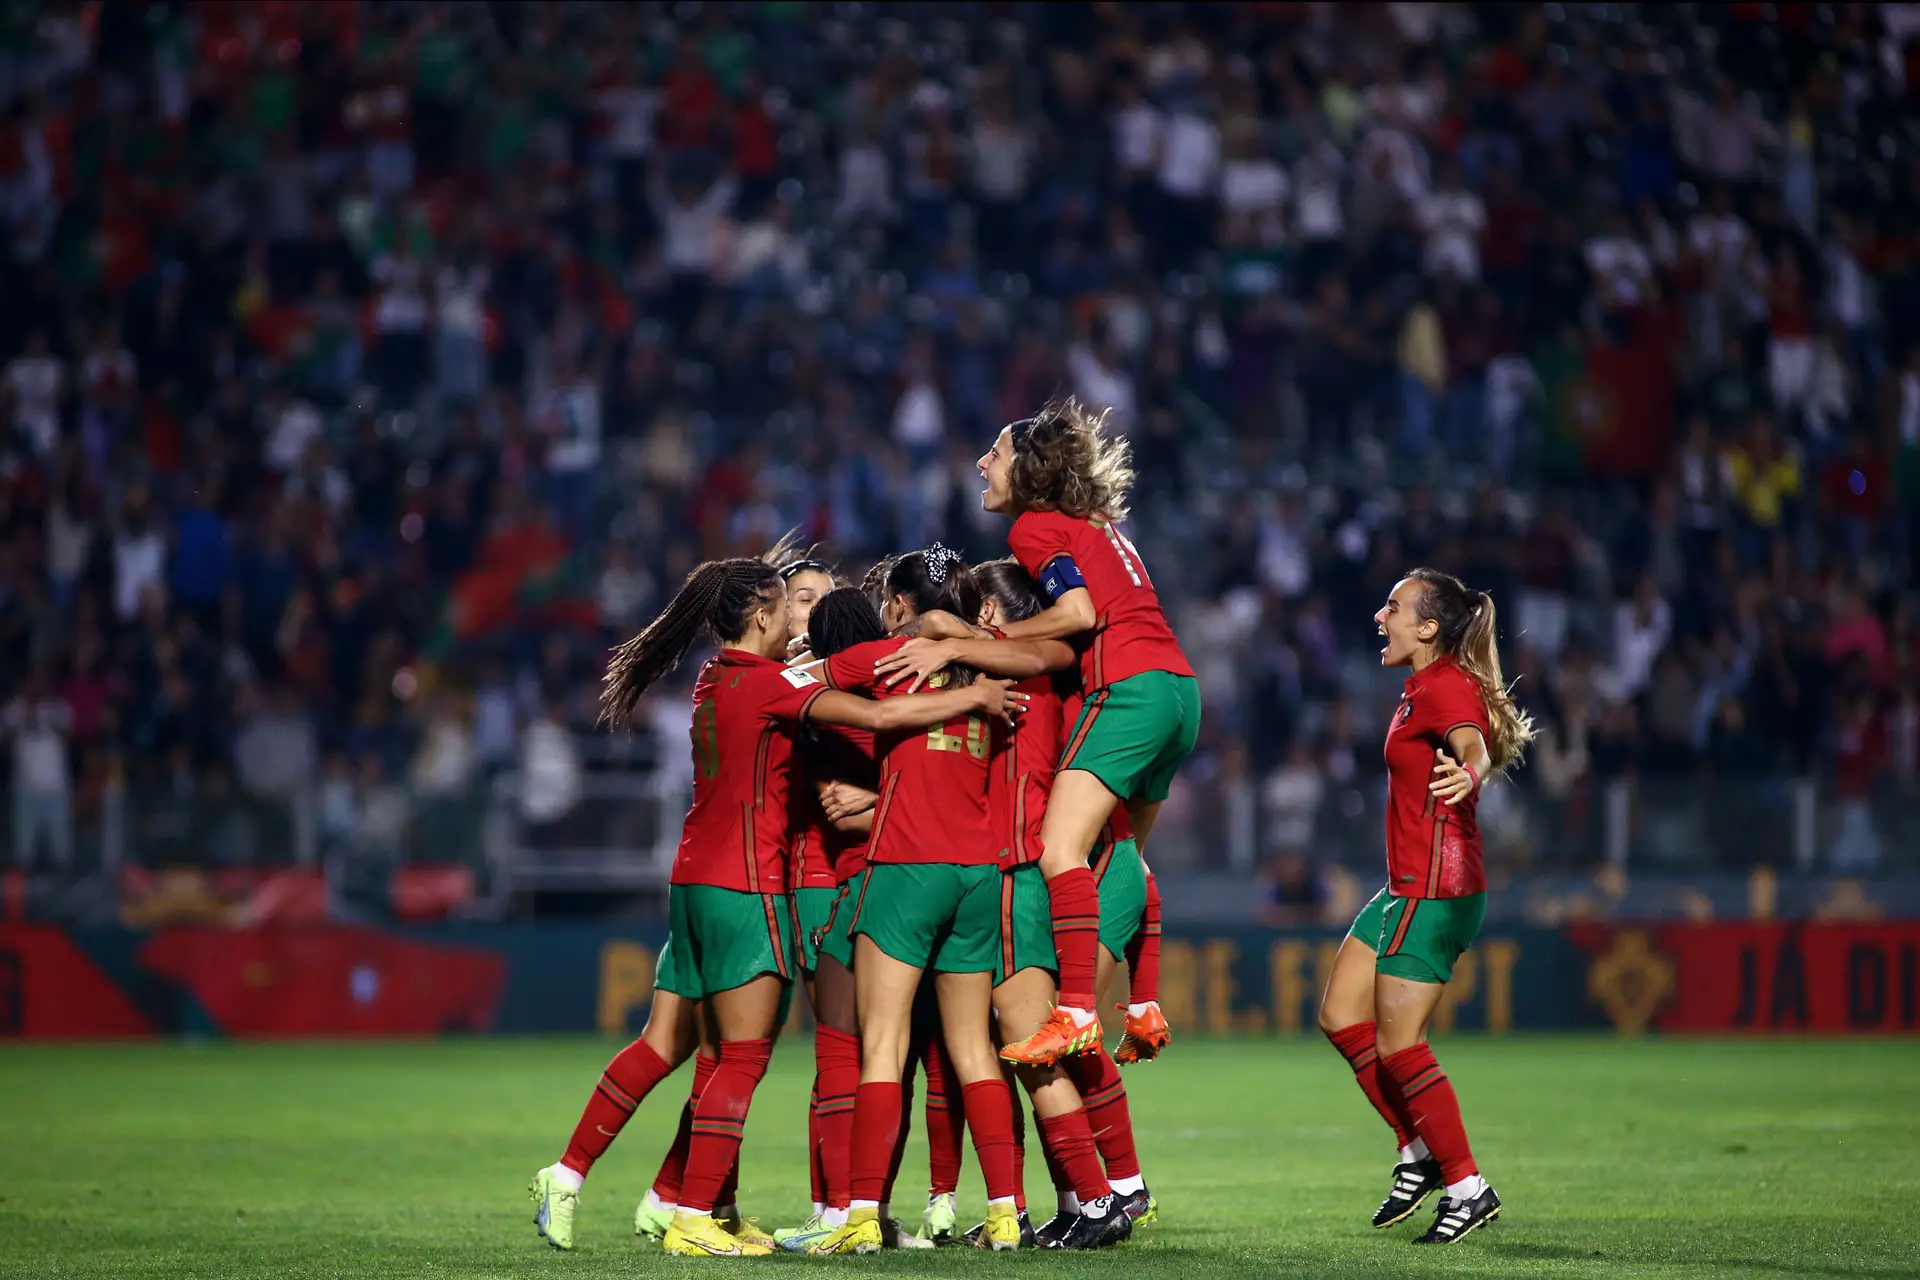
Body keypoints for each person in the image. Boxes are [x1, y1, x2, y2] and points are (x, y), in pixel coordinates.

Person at [528, 554, 1021, 1257]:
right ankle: (696, 1215)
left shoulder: (711, 679)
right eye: (789, 605)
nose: (796, 619)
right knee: (746, 1054)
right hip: (747, 885)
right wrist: (967, 686)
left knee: (677, 1045)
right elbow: (879, 707)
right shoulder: (770, 685)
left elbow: (839, 677)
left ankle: (600, 1181)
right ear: (763, 615)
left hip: (690, 881)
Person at [891, 397, 1198, 1067]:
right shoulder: (1099, 525)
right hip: (1179, 691)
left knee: (1062, 849)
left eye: (995, 453)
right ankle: (1143, 1005)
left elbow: (1079, 613)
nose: (981, 463)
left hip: (1129, 688)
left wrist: (980, 638)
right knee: (1123, 855)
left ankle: (1078, 1012)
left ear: (1028, 471)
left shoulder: (1035, 527)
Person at [805, 547, 1036, 1255]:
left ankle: (862, 1219)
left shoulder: (888, 656)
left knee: (883, 1046)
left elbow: (805, 681)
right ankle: (1004, 1214)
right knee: (974, 1049)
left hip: (907, 866)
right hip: (979, 873)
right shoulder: (998, 661)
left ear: (900, 604)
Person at [1315, 568, 1534, 1246]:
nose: (1380, 617)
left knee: (1400, 1045)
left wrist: (1469, 772)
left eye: (1394, 608)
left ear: (1429, 628)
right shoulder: (1419, 688)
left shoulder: (1445, 687)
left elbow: (1471, 743)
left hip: (1437, 888)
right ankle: (1416, 1151)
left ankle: (1467, 1186)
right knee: (1338, 1014)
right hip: (1406, 884)